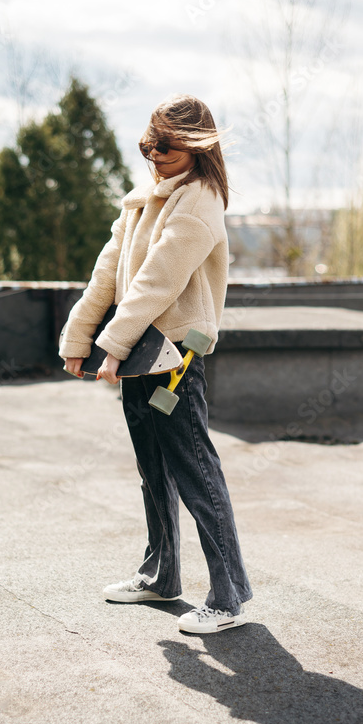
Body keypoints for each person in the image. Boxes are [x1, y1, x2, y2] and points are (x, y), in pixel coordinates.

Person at [59, 93, 252, 633]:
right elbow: (109, 272)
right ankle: (162, 577)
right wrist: (79, 336)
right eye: (149, 147)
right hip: (141, 356)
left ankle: (227, 595)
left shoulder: (199, 199)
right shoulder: (144, 198)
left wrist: (112, 345)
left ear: (195, 146)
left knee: (193, 466)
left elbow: (156, 283)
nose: (154, 158)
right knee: (152, 468)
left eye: (165, 149)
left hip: (175, 355)